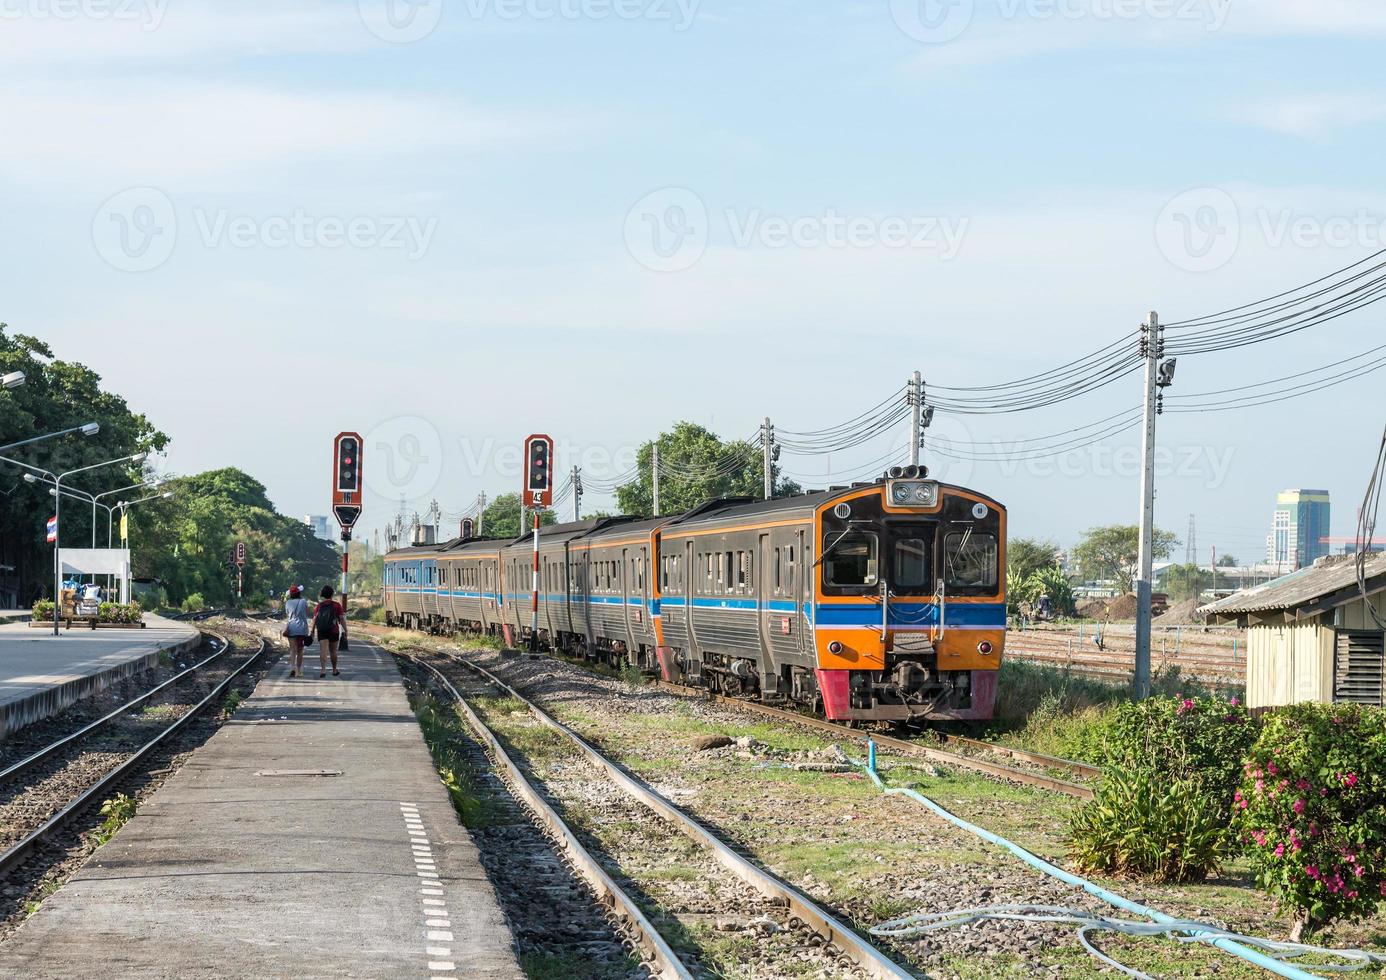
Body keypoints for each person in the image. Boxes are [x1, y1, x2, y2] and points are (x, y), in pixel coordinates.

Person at [312, 585, 347, 678]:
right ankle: (334, 670)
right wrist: (345, 630)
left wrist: (312, 631)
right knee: (333, 651)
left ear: (322, 595)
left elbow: (315, 619)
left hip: (322, 630)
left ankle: (323, 670)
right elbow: (342, 619)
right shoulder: (337, 605)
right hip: (333, 630)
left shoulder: (319, 606)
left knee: (323, 650)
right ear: (332, 594)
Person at [283, 585, 312, 677]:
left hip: (291, 628)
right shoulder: (303, 601)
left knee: (292, 650)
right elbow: (307, 613)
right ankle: (299, 671)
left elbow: (288, 614)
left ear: (290, 595)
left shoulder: (287, 603)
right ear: (299, 593)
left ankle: (292, 668)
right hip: (302, 628)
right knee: (300, 651)